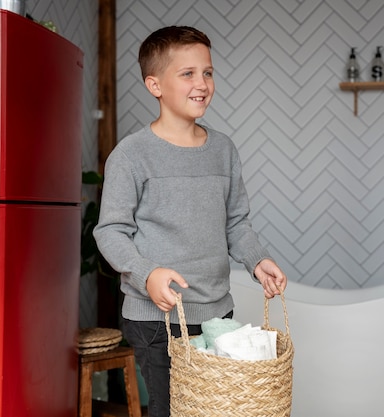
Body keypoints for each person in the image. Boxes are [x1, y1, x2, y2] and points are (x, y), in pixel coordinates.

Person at [93, 25, 287, 417]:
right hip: (154, 320)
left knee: (214, 410)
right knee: (172, 410)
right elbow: (111, 231)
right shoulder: (131, 155)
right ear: (155, 84)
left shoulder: (223, 150)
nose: (202, 83)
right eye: (187, 74)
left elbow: (236, 223)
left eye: (208, 72)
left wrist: (257, 260)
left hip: (217, 315)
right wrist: (146, 274)